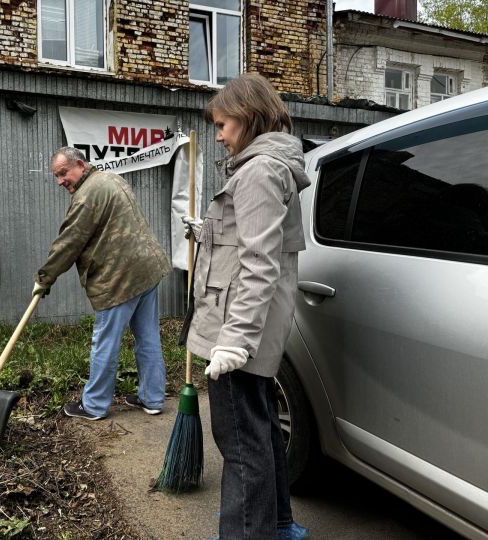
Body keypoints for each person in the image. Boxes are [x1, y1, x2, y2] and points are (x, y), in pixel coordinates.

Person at [181, 74, 311, 539]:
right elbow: (257, 244)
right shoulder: (271, 166)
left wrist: (233, 340)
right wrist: (209, 231)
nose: (218, 133)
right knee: (261, 432)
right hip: (254, 323)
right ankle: (278, 525)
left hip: (238, 329)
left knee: (239, 443)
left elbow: (259, 263)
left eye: (223, 123)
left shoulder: (257, 171)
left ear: (249, 115)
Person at [33, 146, 172, 421]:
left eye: (64, 173)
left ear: (81, 165)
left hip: (119, 278)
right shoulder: (111, 179)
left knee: (105, 342)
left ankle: (94, 405)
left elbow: (69, 244)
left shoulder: (86, 197)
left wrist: (44, 278)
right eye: (57, 176)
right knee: (148, 337)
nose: (61, 181)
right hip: (146, 269)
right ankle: (152, 398)